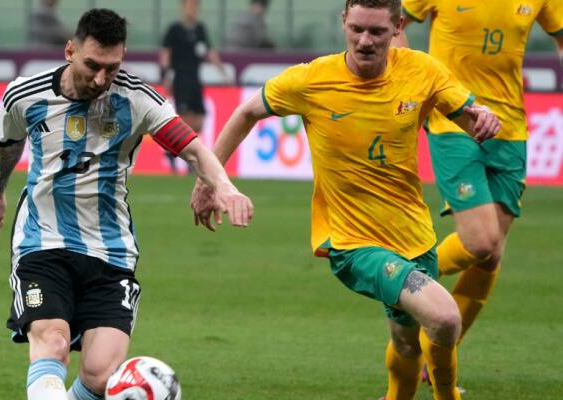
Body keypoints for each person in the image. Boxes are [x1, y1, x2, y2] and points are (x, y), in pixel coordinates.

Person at [191, 1, 502, 399]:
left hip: (414, 236)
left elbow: (468, 116)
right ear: (343, 23)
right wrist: (209, 180)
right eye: (356, 29)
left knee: (408, 345)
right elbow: (247, 112)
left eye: (377, 32)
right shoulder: (312, 79)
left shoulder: (421, 70)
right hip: (352, 244)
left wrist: (482, 119)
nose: (365, 41)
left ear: (398, 27)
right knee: (444, 317)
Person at [0, 8, 253, 400]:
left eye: (112, 67)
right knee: (53, 343)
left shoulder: (137, 98)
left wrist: (224, 187)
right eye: (92, 65)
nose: (101, 78)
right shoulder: (24, 94)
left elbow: (191, 148)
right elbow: (9, 143)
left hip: (110, 251)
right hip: (43, 241)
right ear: (69, 50)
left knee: (99, 374)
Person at [394, 0, 563, 372]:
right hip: (454, 120)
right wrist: (407, 75)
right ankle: (401, 278)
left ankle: (436, 349)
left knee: (491, 255)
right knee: (481, 241)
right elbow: (395, 20)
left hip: (511, 128)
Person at [159, 0, 231, 173]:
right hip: (181, 79)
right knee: (185, 120)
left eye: (195, 6)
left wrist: (223, 72)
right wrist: (167, 75)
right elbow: (165, 54)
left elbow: (210, 52)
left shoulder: (200, 29)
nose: (192, 9)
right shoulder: (174, 29)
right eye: (189, 5)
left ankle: (172, 151)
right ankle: (189, 159)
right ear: (183, 7)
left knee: (198, 122)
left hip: (195, 80)